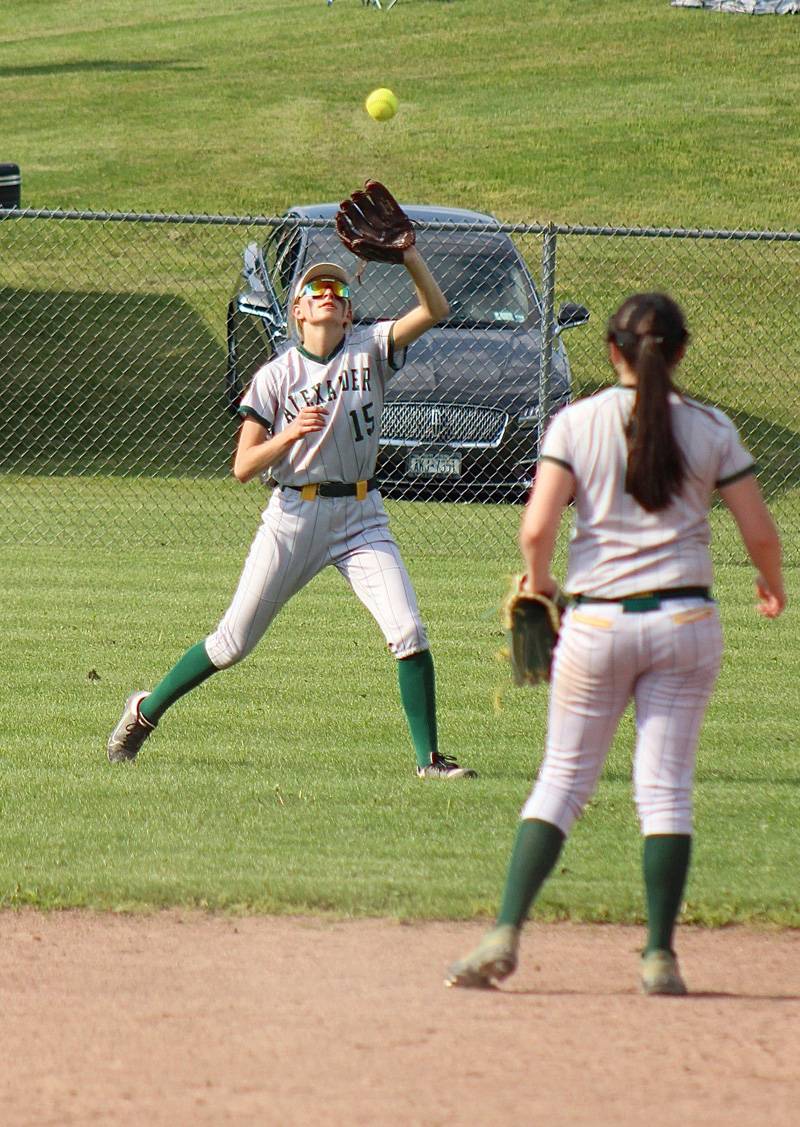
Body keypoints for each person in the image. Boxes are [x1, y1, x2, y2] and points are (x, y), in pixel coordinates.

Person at [446, 292, 785, 994]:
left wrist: (540, 589)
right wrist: (770, 582)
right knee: (663, 791)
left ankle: (505, 931)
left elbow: (536, 528)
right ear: (682, 352)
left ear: (611, 351)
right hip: (687, 623)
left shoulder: (576, 421)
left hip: (596, 623)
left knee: (564, 780)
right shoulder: (712, 427)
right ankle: (660, 955)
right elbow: (758, 529)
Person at [107, 247, 476, 781]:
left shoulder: (370, 349)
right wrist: (290, 433)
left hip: (361, 515)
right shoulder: (275, 376)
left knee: (409, 631)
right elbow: (242, 466)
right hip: (293, 517)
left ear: (349, 313)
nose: (329, 294)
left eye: (339, 291)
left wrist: (411, 255)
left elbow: (434, 309)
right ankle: (143, 712)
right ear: (297, 312)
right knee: (231, 644)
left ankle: (429, 761)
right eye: (316, 290)